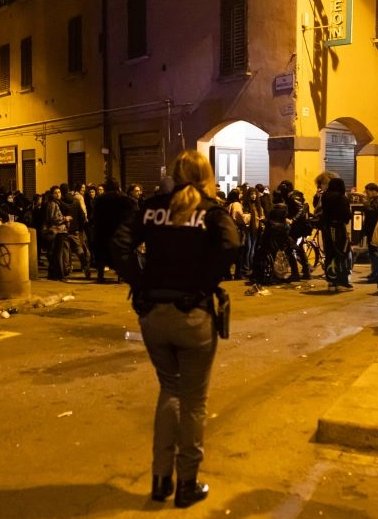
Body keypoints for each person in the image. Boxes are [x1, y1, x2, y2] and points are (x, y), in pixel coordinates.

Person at [111, 150, 239, 508]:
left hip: (154, 313)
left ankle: (160, 480)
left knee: (169, 390)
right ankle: (187, 484)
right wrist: (204, 284)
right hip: (193, 314)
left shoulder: (152, 207)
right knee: (194, 401)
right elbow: (232, 244)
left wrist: (140, 284)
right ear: (205, 176)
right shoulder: (210, 211)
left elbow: (118, 244)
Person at [319, 177, 352, 292]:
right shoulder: (341, 198)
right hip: (338, 229)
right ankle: (341, 282)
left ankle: (331, 282)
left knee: (330, 255)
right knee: (341, 254)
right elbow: (346, 215)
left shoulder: (325, 196)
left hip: (327, 229)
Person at [362, 183, 378, 291]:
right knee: (373, 255)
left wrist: (365, 204)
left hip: (375, 232)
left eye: (367, 192)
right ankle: (376, 274)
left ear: (373, 191)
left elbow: (372, 212)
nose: (367, 194)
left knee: (376, 256)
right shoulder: (377, 200)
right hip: (373, 231)